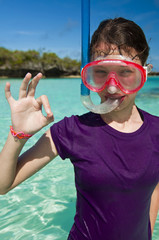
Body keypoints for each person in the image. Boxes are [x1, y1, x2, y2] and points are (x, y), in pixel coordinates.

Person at [0, 17, 159, 240]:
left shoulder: (157, 131)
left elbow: (154, 190)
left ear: (144, 73)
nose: (112, 86)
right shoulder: (73, 129)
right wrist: (18, 134)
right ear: (89, 74)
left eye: (125, 72)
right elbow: (3, 185)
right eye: (101, 72)